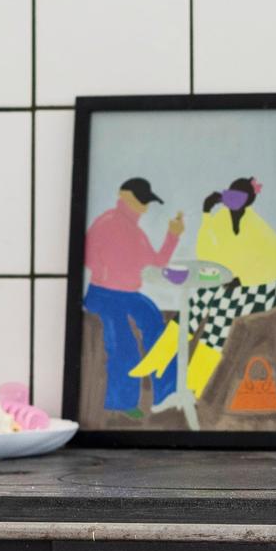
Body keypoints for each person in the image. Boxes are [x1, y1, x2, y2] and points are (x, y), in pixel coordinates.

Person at [130, 175, 276, 404]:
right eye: (230, 196)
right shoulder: (221, 218)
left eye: (239, 197)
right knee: (198, 299)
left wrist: (243, 278)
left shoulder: (257, 226)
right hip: (235, 282)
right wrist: (206, 214)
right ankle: (157, 359)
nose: (232, 201)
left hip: (268, 285)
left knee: (221, 311)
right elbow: (207, 253)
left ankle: (194, 383)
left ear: (248, 200)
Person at [81, 177, 186, 416]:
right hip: (103, 294)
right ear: (125, 197)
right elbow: (85, 257)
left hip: (130, 294)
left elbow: (157, 261)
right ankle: (122, 403)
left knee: (156, 326)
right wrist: (106, 270)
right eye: (141, 202)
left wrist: (173, 235)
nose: (144, 208)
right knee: (123, 344)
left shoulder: (136, 232)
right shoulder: (105, 223)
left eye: (146, 203)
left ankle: (168, 395)